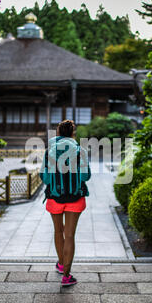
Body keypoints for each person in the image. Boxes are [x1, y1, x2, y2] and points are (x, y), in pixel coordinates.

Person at [39, 119, 91, 287]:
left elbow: (45, 178)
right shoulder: (79, 151)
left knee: (57, 231)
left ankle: (61, 264)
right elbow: (85, 177)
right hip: (75, 198)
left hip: (55, 197)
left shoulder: (49, 152)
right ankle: (66, 276)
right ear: (73, 133)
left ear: (59, 133)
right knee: (69, 235)